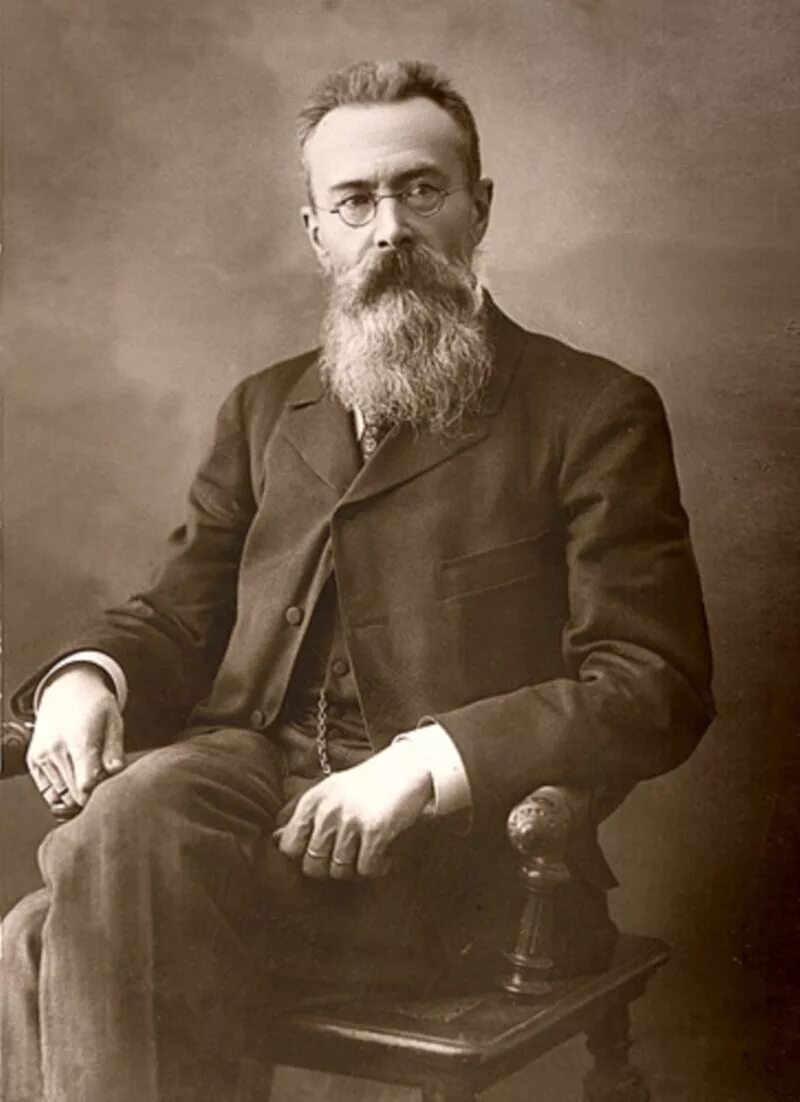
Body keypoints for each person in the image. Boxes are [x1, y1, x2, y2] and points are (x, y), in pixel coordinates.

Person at [1, 59, 714, 1102]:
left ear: (478, 206)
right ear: (315, 231)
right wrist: (87, 676)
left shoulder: (590, 410)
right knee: (137, 817)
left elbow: (652, 683)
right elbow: (175, 616)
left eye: (421, 189)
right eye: (355, 201)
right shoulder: (264, 409)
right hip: (230, 813)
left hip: (447, 867)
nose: (390, 229)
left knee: (42, 930)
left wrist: (423, 763)